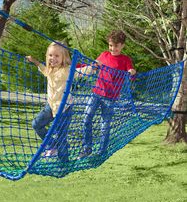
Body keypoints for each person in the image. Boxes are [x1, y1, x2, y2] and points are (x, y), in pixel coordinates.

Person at [78, 30, 136, 159]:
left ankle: (101, 151)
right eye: (110, 45)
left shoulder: (125, 60)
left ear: (122, 46)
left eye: (116, 46)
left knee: (105, 124)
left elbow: (131, 74)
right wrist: (90, 65)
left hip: (111, 98)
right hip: (96, 93)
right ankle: (87, 148)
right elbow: (94, 65)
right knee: (86, 117)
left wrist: (132, 72)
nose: (112, 48)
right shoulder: (104, 55)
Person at [26, 41, 72, 162]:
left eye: (57, 56)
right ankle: (52, 145)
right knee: (36, 124)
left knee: (61, 135)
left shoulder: (67, 70)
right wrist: (35, 61)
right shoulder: (50, 70)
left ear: (64, 57)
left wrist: (93, 68)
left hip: (64, 109)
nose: (53, 58)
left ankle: (63, 162)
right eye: (50, 55)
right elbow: (44, 70)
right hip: (51, 106)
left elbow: (79, 74)